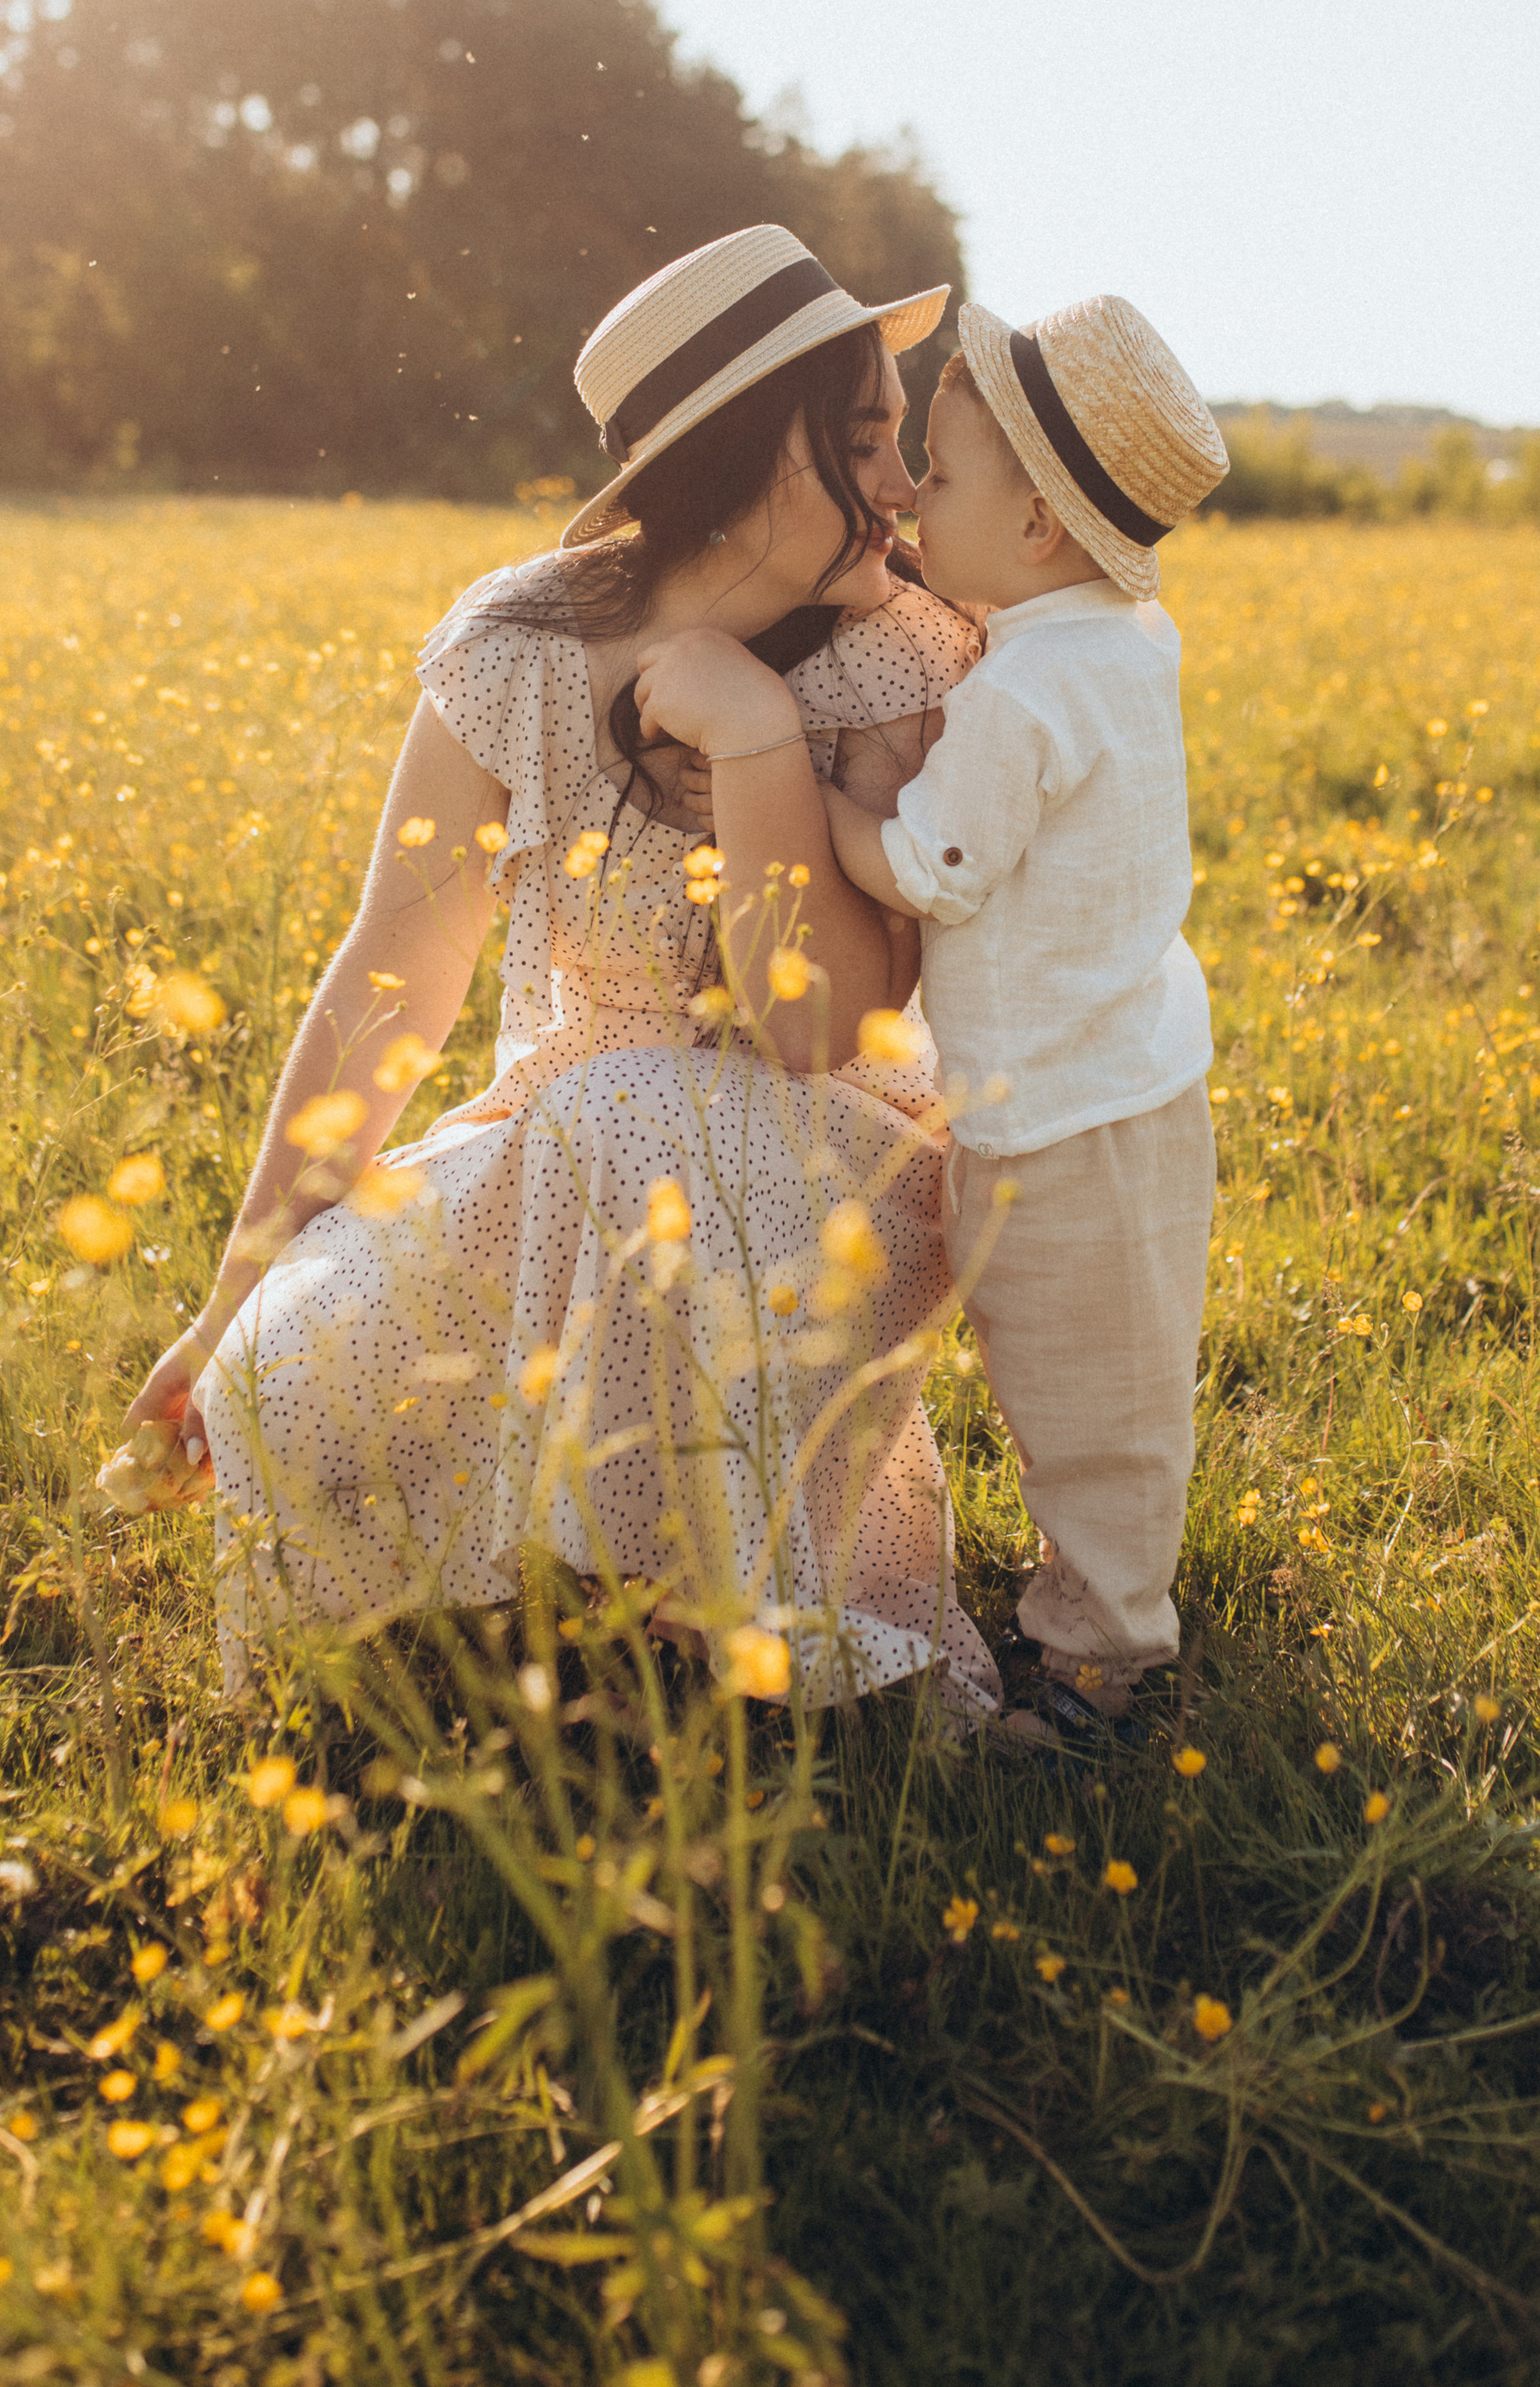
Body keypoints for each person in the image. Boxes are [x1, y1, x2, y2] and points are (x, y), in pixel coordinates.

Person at [120, 223, 1001, 1716]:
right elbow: (392, 980)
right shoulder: (515, 647)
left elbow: (823, 1024)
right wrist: (225, 1308)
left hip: (822, 1168)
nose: (906, 487)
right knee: (286, 1377)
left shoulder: (900, 652)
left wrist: (756, 737)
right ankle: (550, 1615)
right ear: (746, 457)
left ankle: (705, 1650)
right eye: (866, 441)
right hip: (562, 1148)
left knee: (636, 1119)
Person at [805, 293, 1230, 1749]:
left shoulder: (1026, 692)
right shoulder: (1119, 637)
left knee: (1088, 1400)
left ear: (1040, 526)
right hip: (1113, 1087)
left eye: (939, 472)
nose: (912, 497)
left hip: (1064, 1120)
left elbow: (935, 865)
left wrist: (817, 800)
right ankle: (1098, 1604)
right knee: (1110, 1378)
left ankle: (1103, 1667)